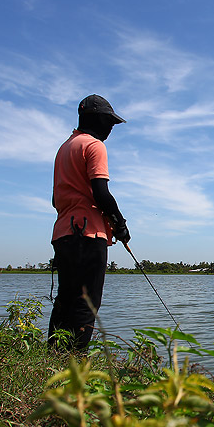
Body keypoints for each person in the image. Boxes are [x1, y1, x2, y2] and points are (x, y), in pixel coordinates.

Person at [48, 94, 130, 351]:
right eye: (109, 123)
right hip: (88, 235)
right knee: (86, 304)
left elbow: (55, 199)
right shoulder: (94, 146)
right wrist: (121, 225)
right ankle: (75, 367)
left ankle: (52, 361)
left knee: (65, 300)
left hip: (63, 234)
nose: (110, 129)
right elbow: (101, 193)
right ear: (96, 119)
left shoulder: (64, 148)